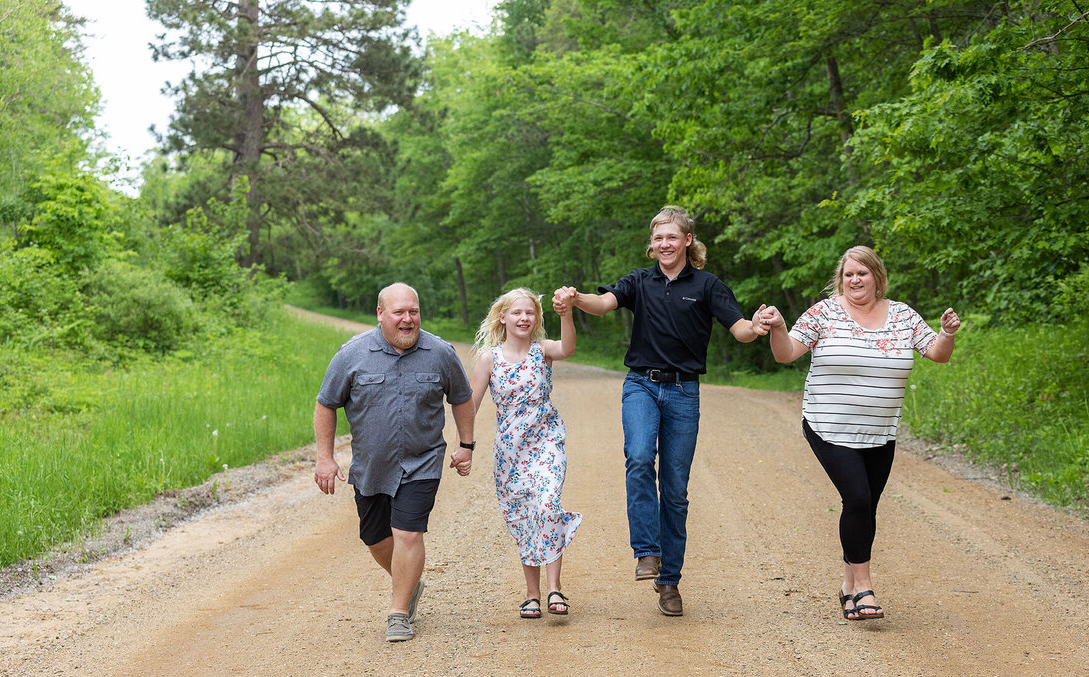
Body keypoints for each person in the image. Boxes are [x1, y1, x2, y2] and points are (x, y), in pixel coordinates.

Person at [553, 206, 767, 617]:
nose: (664, 244)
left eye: (672, 237)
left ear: (688, 240)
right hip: (641, 385)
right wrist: (576, 298)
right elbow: (603, 303)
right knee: (637, 458)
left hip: (685, 393)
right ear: (651, 246)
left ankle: (669, 582)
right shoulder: (639, 281)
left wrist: (756, 327)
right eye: (658, 239)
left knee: (675, 492)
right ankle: (647, 553)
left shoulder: (707, 285)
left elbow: (738, 328)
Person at [758, 245, 960, 621]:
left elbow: (937, 353)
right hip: (828, 425)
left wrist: (946, 333)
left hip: (881, 430)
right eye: (848, 274)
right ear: (841, 279)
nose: (855, 280)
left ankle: (849, 586)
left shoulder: (902, 315)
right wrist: (780, 328)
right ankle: (865, 589)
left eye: (862, 273)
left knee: (866, 507)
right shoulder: (825, 312)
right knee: (858, 499)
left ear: (877, 277)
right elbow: (785, 354)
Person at [313, 282, 475, 643]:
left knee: (407, 532)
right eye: (399, 312)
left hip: (423, 462)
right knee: (375, 537)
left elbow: (462, 398)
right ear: (380, 314)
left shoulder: (440, 352)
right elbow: (326, 403)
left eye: (413, 311)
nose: (408, 319)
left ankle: (398, 613)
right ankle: (409, 582)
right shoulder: (352, 354)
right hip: (371, 467)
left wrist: (466, 445)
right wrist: (325, 458)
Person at [469, 288, 583, 620]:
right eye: (517, 313)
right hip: (510, 451)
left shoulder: (542, 350)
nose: (524, 318)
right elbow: (470, 407)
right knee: (523, 517)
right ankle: (531, 595)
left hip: (547, 441)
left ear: (536, 319)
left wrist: (566, 315)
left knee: (547, 505)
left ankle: (553, 588)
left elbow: (568, 348)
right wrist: (464, 446)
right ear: (502, 317)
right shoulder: (489, 359)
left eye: (530, 313)